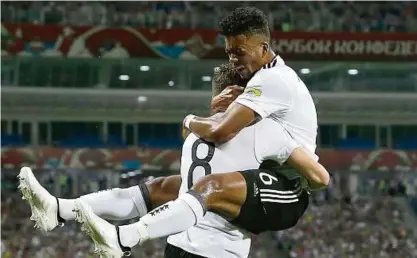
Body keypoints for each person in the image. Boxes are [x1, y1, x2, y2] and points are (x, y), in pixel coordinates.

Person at [70, 6, 329, 257]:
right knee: (169, 186)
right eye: (229, 52)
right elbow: (203, 141)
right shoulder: (261, 81)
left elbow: (220, 132)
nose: (233, 59)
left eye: (239, 52)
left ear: (263, 47)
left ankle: (125, 237)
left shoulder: (272, 80)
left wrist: (191, 119)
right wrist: (214, 115)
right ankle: (66, 209)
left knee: (211, 186)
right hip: (265, 177)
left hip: (289, 190)